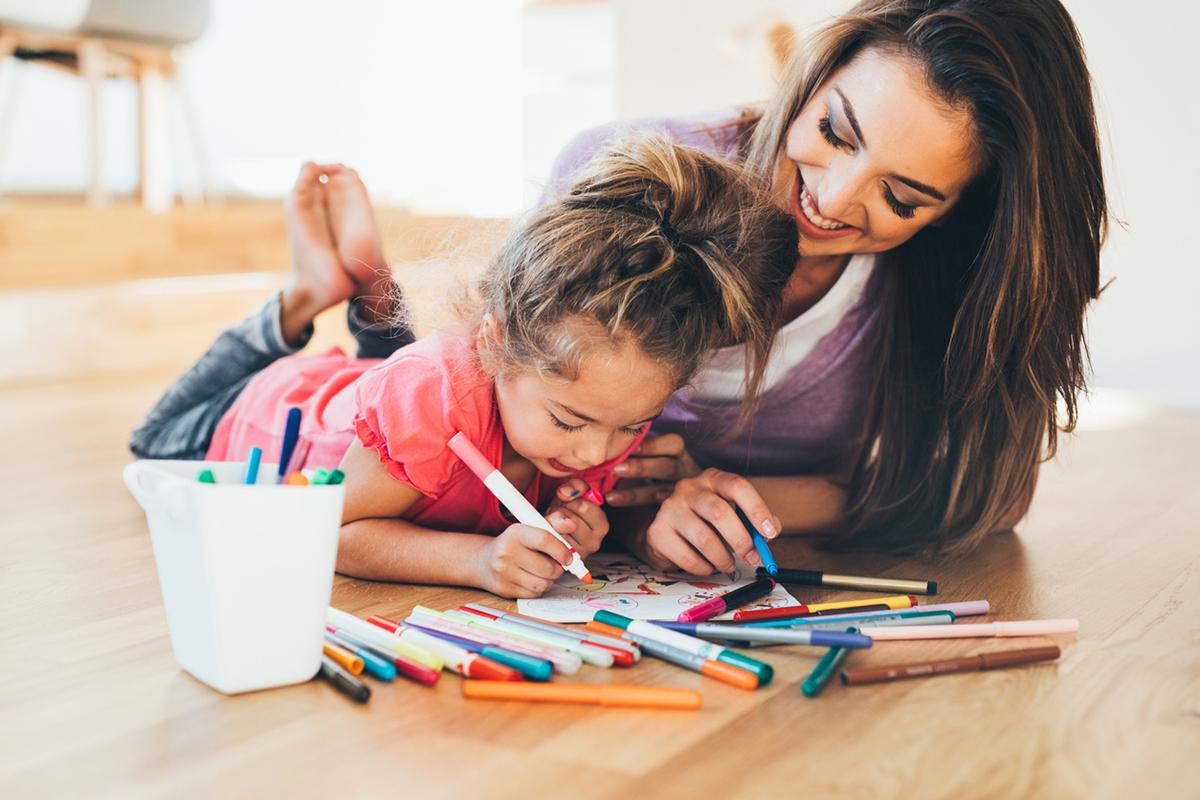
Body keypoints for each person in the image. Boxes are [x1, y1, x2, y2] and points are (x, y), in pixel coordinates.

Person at [541, 0, 1107, 574]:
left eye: (902, 199)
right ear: (814, 76)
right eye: (835, 131)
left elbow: (992, 496)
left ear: (955, 213)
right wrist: (639, 518)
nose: (831, 201)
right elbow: (487, 432)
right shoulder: (609, 174)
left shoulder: (961, 272)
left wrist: (722, 501)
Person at [130, 135, 797, 598]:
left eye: (632, 428)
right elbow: (331, 531)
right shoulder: (438, 392)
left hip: (403, 400)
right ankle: (307, 294)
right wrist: (477, 560)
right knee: (155, 437)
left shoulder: (603, 397)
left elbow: (585, 477)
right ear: (495, 342)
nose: (598, 450)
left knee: (408, 389)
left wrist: (578, 528)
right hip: (270, 412)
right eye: (570, 420)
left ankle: (371, 295)